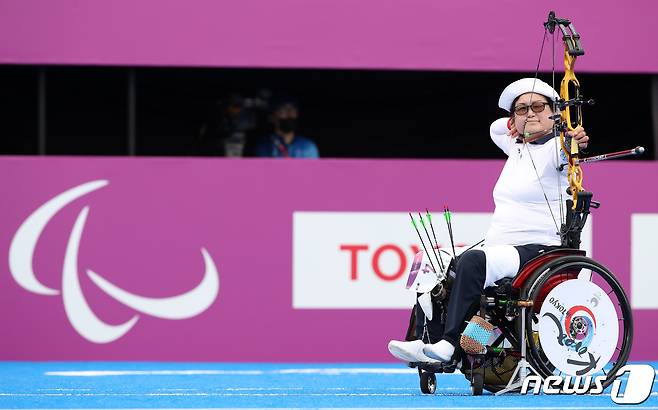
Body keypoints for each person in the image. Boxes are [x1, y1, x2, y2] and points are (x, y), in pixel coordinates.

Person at [388, 78, 590, 364]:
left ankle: (448, 345)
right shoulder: (517, 148)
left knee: (470, 262)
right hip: (502, 250)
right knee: (432, 263)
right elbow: (496, 128)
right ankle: (426, 343)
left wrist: (570, 138)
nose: (530, 113)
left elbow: (570, 145)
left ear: (554, 112)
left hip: (537, 251)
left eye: (537, 106)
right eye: (521, 109)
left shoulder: (556, 149)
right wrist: (519, 126)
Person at [252, 98, 319, 158]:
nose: (290, 114)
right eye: (284, 110)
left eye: (293, 109)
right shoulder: (263, 146)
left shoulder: (308, 146)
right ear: (271, 117)